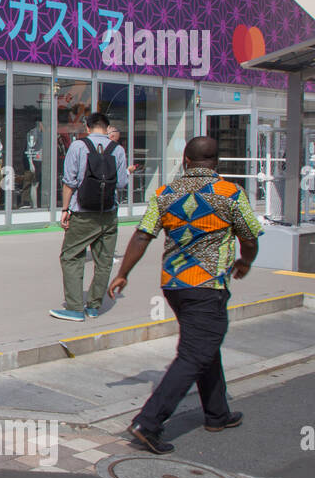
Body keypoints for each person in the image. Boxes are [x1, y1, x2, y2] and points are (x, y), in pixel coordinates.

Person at [107, 136, 260, 454]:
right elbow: (249, 236)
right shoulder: (231, 194)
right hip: (207, 288)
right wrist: (244, 261)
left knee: (204, 345)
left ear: (186, 161)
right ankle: (148, 423)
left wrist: (123, 273)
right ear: (216, 162)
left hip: (174, 286)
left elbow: (142, 235)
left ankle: (218, 414)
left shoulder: (165, 193)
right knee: (194, 354)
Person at [51, 112, 129, 321]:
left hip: (83, 212)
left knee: (71, 256)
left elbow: (69, 181)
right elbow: (121, 183)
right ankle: (94, 305)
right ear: (107, 127)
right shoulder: (118, 150)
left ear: (87, 127)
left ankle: (75, 308)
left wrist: (65, 209)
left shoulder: (78, 146)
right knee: (103, 260)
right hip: (109, 212)